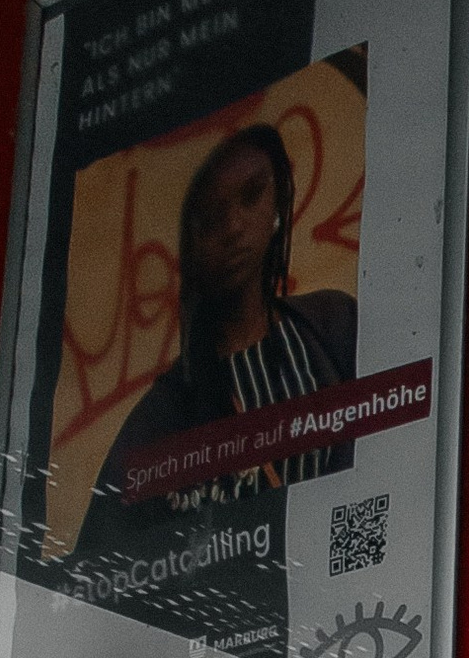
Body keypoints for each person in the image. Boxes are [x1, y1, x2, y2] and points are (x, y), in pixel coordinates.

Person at [73, 117, 356, 562]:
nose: (234, 227)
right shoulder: (158, 421)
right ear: (187, 240)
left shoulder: (334, 327)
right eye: (211, 215)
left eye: (251, 195)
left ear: (278, 204)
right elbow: (98, 570)